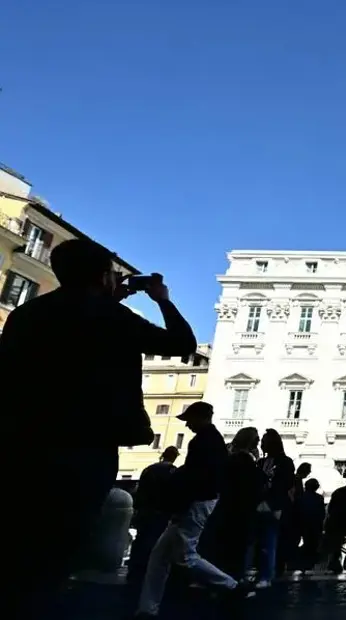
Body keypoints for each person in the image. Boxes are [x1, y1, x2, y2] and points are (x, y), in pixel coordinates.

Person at [0, 238, 196, 618]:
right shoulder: (112, 318)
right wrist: (161, 299)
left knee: (19, 541)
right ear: (104, 276)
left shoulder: (27, 314)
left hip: (24, 442)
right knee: (61, 545)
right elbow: (182, 342)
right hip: (87, 445)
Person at [135, 402, 251, 618]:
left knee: (185, 556)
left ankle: (232, 586)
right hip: (199, 502)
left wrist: (178, 502)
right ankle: (147, 608)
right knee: (160, 556)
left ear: (201, 418)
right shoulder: (213, 440)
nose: (187, 424)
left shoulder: (202, 442)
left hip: (195, 503)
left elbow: (194, 478)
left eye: (190, 419)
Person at [201, 426, 265, 581]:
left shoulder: (229, 459)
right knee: (236, 551)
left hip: (226, 510)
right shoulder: (245, 462)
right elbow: (254, 487)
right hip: (240, 513)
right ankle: (232, 583)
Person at [249, 429, 295, 587]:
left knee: (270, 541)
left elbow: (286, 484)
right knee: (263, 542)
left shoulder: (285, 462)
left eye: (264, 441)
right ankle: (263, 573)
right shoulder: (262, 462)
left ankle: (267, 575)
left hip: (274, 505)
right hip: (261, 505)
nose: (261, 444)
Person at [128, 447, 181, 586]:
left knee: (140, 540)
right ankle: (146, 573)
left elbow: (140, 491)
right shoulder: (173, 472)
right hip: (161, 514)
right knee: (156, 544)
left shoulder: (149, 469)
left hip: (145, 511)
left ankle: (133, 571)